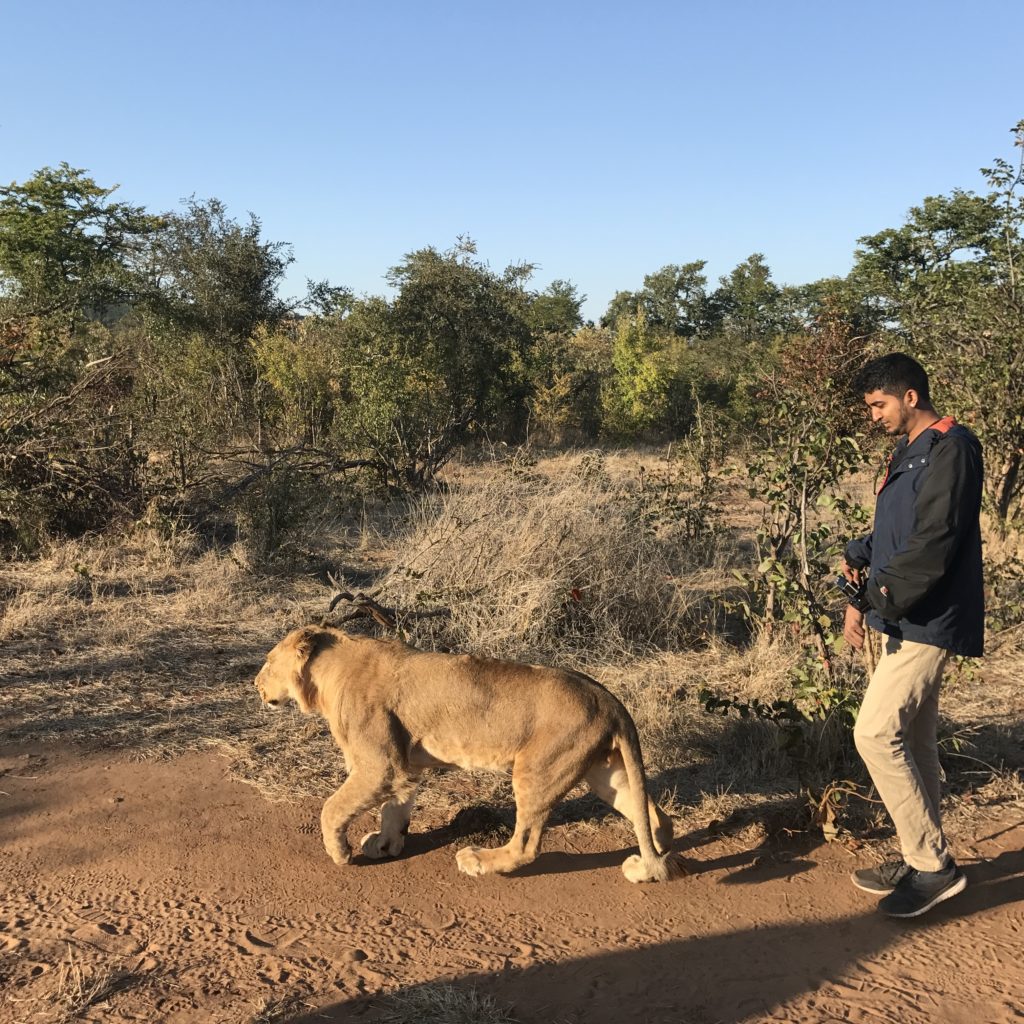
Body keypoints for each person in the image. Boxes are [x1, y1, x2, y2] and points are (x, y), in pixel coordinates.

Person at [840, 353, 984, 919]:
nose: (873, 416)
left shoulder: (953, 447)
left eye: (878, 405)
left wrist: (880, 599)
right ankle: (921, 852)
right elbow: (897, 533)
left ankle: (932, 867)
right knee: (916, 740)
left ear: (911, 396)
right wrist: (861, 558)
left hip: (928, 618)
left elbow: (934, 542)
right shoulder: (909, 451)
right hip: (899, 615)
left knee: (875, 735)